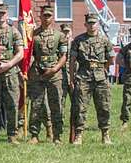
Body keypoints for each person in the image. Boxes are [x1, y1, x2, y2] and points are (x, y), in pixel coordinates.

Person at [69, 13, 115, 145]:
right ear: (85, 25)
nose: (91, 25)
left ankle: (105, 134)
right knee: (80, 107)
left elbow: (111, 59)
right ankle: (78, 135)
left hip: (100, 78)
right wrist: (72, 79)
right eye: (89, 23)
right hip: (83, 77)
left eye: (94, 23)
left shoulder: (104, 40)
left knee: (104, 106)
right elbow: (72, 61)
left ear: (98, 24)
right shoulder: (78, 41)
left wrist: (103, 69)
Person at [25, 10, 64, 143]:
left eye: (49, 16)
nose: (46, 18)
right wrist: (26, 71)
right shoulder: (33, 34)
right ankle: (34, 135)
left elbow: (64, 56)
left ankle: (57, 135)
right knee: (36, 104)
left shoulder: (60, 35)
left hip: (54, 73)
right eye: (44, 16)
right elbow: (28, 55)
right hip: (38, 73)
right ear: (40, 17)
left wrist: (54, 69)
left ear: (52, 18)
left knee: (56, 104)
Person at [0, 3, 26, 143]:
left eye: (3, 13)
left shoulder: (14, 31)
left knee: (12, 104)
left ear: (7, 15)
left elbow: (20, 53)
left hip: (11, 73)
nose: (1, 16)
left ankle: (12, 134)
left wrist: (9, 64)